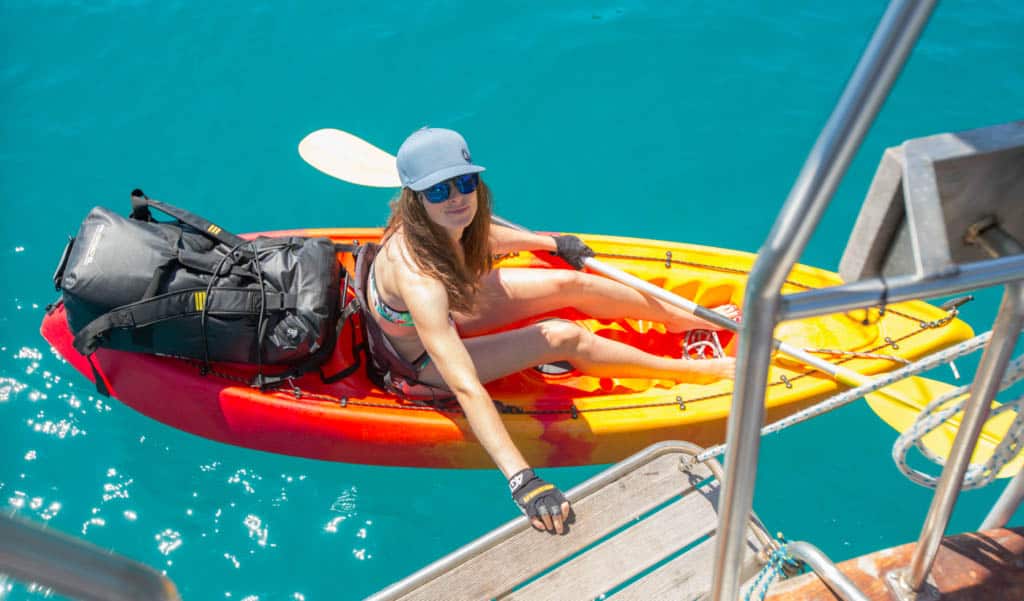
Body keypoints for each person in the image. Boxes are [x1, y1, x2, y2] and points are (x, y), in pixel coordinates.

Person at [361, 127, 738, 535]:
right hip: (419, 357)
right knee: (562, 336)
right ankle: (700, 372)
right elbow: (466, 385)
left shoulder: (438, 219)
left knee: (572, 285)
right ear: (417, 200)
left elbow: (478, 235)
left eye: (464, 182)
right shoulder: (421, 280)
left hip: (451, 305)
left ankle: (687, 318)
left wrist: (549, 243)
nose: (456, 197)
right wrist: (522, 480)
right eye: (438, 190)